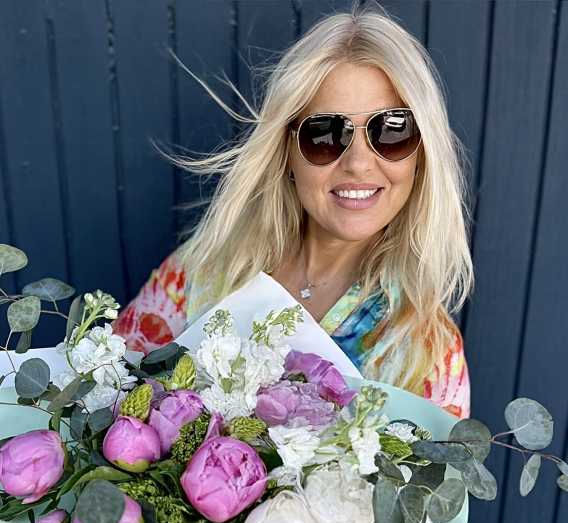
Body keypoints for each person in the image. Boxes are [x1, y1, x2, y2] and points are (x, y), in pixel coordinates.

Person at [112, 3, 473, 420]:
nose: (358, 163)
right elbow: (105, 402)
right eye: (325, 134)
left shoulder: (427, 355)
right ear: (287, 151)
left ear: (421, 154)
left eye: (392, 131)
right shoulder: (200, 272)